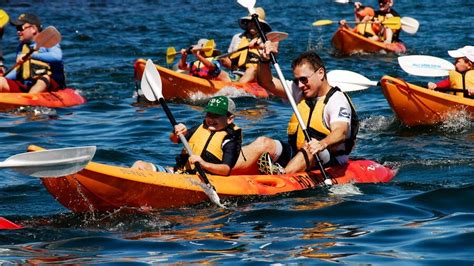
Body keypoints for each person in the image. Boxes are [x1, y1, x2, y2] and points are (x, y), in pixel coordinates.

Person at [231, 43, 359, 175]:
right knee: (263, 143)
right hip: (298, 154)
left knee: (310, 147)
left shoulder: (336, 100)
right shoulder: (300, 91)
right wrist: (264, 60)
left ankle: (282, 176)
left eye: (303, 79)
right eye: (297, 80)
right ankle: (225, 167)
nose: (300, 85)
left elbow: (340, 132)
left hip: (329, 159)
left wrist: (322, 144)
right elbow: (266, 82)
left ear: (320, 73)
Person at [133, 96, 242, 176]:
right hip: (180, 173)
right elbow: (174, 140)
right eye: (209, 114)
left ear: (229, 119)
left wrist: (203, 164)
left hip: (204, 180)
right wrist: (177, 132)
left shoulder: (230, 139)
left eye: (216, 116)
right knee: (139, 165)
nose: (211, 119)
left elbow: (225, 169)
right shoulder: (200, 128)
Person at [0, 13, 66, 93]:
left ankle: (30, 98)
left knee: (44, 78)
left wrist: (32, 55)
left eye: (20, 28)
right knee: (1, 80)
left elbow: (57, 57)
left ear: (33, 29)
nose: (18, 32)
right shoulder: (21, 48)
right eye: (17, 28)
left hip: (50, 85)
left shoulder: (49, 41)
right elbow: (18, 71)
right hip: (26, 85)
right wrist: (5, 78)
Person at [221, 7, 271, 83]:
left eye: (255, 22)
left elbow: (269, 58)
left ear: (262, 26)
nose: (252, 24)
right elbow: (230, 61)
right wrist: (222, 60)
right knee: (221, 61)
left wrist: (259, 45)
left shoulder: (266, 41)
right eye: (250, 21)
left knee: (251, 69)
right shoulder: (237, 37)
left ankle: (236, 88)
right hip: (236, 72)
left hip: (256, 75)